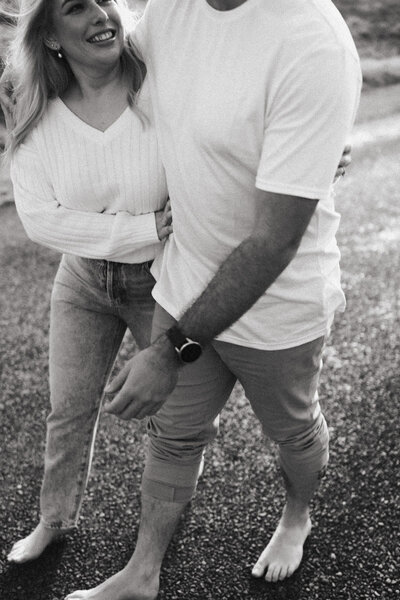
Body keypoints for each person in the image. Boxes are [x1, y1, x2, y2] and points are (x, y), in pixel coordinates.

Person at [63, 0, 362, 598]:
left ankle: (297, 515)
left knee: (294, 432)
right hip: (186, 277)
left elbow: (273, 242)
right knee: (171, 436)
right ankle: (142, 572)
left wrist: (169, 351)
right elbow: (110, 68)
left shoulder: (312, 41)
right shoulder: (172, 9)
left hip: (280, 305)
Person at [1, 0, 171, 564]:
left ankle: (159, 532)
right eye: (78, 8)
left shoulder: (161, 78)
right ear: (50, 36)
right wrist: (144, 226)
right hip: (82, 278)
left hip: (164, 278)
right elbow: (41, 219)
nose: (102, 15)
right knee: (68, 407)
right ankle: (53, 520)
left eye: (106, 1)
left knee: (178, 415)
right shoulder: (36, 112)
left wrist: (311, 148)